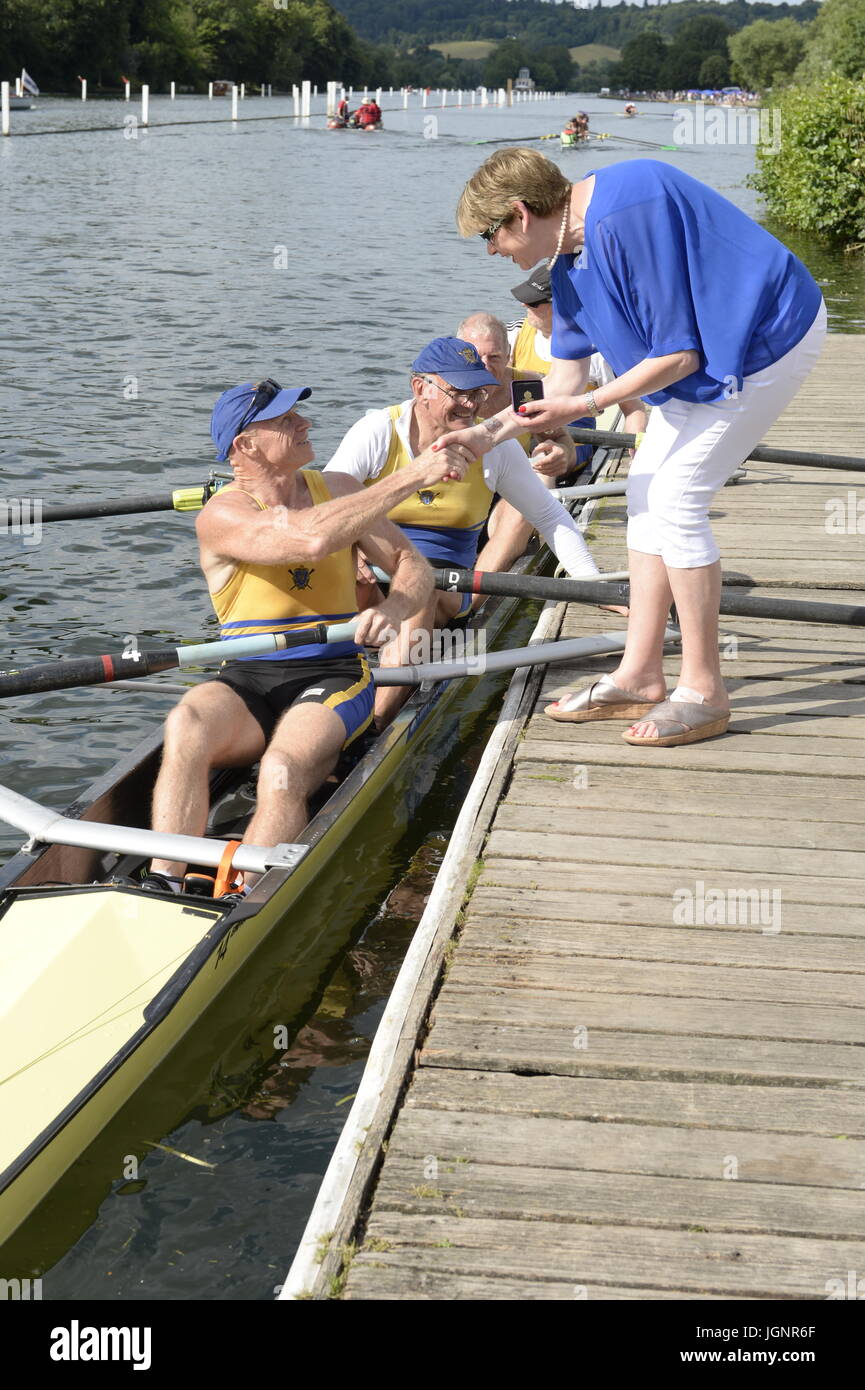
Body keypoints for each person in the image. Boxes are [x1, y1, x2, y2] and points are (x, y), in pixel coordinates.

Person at [452, 150, 826, 747]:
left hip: (767, 337)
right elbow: (564, 382)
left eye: (489, 237)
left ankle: (704, 691)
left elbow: (680, 356)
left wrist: (585, 409)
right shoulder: (566, 261)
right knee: (645, 491)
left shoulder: (627, 211)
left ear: (520, 214)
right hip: (700, 356)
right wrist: (483, 435)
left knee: (677, 499)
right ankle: (640, 674)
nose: (493, 252)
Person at [145, 378, 470, 898]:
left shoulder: (337, 491)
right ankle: (164, 879)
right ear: (245, 445)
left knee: (280, 766)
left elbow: (412, 564)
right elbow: (311, 539)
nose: (305, 424)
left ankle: (240, 897)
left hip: (334, 671)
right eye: (286, 420)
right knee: (185, 721)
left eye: (300, 415)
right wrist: (412, 475)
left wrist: (395, 606)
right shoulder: (222, 515)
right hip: (246, 672)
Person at [324, 336, 599, 727]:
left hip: (446, 582)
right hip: (377, 566)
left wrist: (592, 583)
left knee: (419, 590)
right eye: (459, 392)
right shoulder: (377, 432)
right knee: (347, 584)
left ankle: (375, 725)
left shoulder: (496, 447)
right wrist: (349, 550)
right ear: (420, 388)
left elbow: (550, 518)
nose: (472, 404)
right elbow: (324, 506)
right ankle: (320, 683)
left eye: (479, 392)